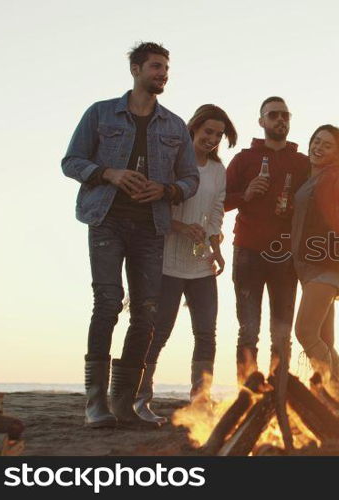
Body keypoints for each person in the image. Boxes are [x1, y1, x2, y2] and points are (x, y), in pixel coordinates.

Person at [61, 42, 198, 428]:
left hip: (150, 227)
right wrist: (109, 173)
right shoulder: (101, 113)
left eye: (166, 68)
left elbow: (190, 177)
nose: (163, 74)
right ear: (136, 70)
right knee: (107, 304)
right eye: (156, 67)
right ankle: (95, 404)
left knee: (146, 314)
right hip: (106, 219)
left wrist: (167, 190)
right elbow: (71, 161)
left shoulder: (173, 125)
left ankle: (123, 403)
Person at [135, 104, 237, 424]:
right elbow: (157, 203)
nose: (212, 138)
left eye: (219, 134)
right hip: (166, 258)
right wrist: (179, 227)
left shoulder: (218, 170)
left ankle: (200, 398)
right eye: (208, 131)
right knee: (159, 330)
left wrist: (215, 243)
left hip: (201, 259)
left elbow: (217, 209)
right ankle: (140, 396)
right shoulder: (173, 163)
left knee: (206, 332)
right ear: (193, 128)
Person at [224, 96, 309, 386]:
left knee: (282, 333)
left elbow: (316, 204)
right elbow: (218, 202)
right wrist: (244, 195)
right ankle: (247, 395)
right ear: (261, 121)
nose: (280, 120)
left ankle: (280, 393)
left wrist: (295, 209)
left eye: (285, 115)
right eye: (273, 115)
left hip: (285, 255)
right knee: (248, 330)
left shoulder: (302, 163)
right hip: (247, 251)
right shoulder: (244, 159)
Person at [291, 123, 339, 410]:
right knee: (324, 338)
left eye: (327, 145)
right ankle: (338, 403)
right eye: (315, 141)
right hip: (305, 265)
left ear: (337, 154)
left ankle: (331, 398)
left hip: (327, 261)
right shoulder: (309, 177)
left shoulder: (338, 176)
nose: (318, 148)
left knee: (306, 331)